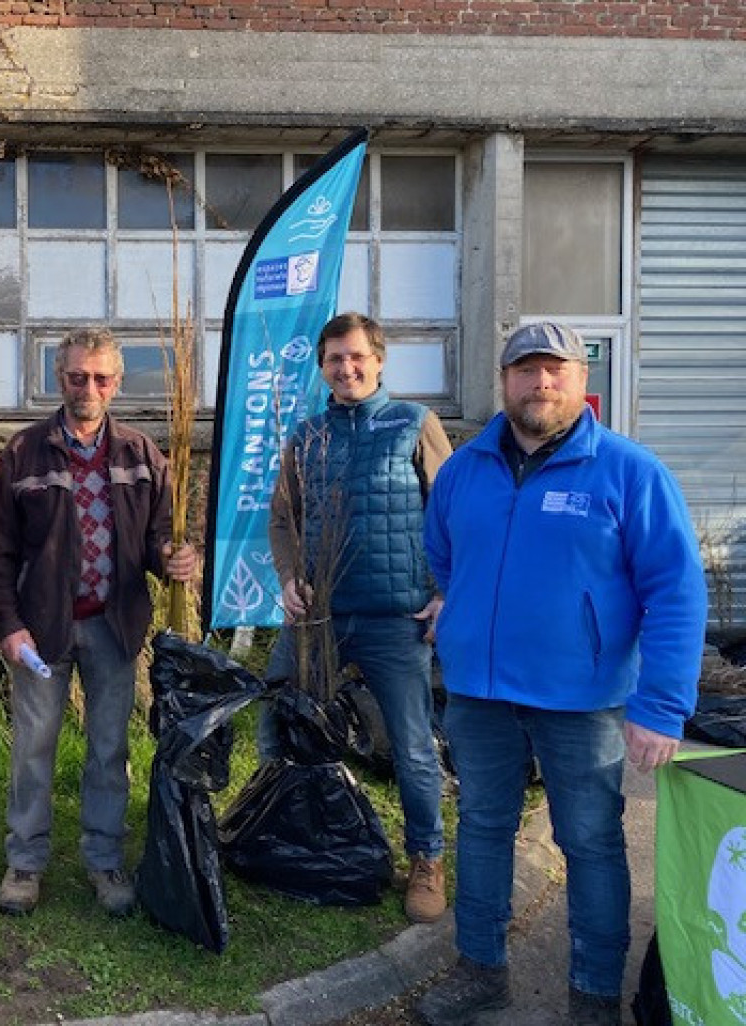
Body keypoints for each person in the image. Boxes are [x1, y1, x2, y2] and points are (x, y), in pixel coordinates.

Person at [416, 322, 707, 1026]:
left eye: (555, 370)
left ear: (582, 380)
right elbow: (445, 558)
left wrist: (662, 706)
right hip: (480, 696)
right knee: (482, 829)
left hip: (582, 702)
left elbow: (675, 589)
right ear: (504, 380)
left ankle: (592, 997)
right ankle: (480, 971)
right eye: (525, 370)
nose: (540, 383)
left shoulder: (629, 472)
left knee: (591, 843)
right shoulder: (463, 470)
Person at [0, 326, 198, 918]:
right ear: (60, 378)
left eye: (101, 378)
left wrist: (175, 558)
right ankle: (25, 860)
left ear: (117, 383)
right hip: (41, 630)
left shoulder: (142, 454)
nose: (89, 388)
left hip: (115, 625)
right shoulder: (24, 452)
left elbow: (158, 540)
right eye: (78, 376)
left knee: (108, 747)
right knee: (34, 746)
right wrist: (6, 625)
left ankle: (104, 860)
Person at [262, 311, 453, 925]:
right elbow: (283, 520)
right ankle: (283, 826)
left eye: (356, 357)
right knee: (279, 715)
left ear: (379, 359)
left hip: (396, 619)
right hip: (319, 620)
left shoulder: (415, 424)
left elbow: (454, 514)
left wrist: (447, 592)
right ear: (322, 367)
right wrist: (291, 580)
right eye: (334, 359)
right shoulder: (306, 435)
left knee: (412, 744)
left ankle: (426, 857)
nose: (346, 368)